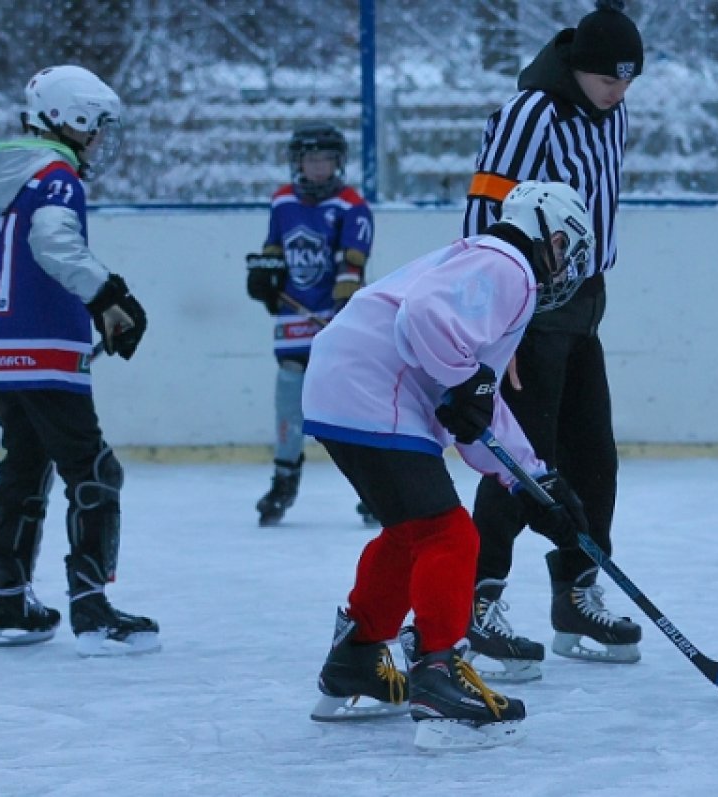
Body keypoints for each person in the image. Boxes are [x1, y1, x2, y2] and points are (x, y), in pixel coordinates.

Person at [301, 181, 595, 751]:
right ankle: (439, 676)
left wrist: (536, 482)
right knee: (449, 534)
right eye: (570, 256)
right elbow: (426, 319)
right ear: (553, 241)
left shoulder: (483, 262)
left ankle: (357, 660)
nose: (567, 272)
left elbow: (478, 413)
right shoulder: (508, 263)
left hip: (340, 384)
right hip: (370, 388)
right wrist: (472, 383)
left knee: (410, 533)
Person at [459, 0, 644, 682]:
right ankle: (476, 601)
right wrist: (490, 327)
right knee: (518, 465)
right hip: (525, 312)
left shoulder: (613, 112)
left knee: (594, 459)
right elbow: (484, 209)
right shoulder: (529, 113)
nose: (618, 93)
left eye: (628, 81)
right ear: (577, 68)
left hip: (584, 307)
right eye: (607, 80)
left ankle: (576, 592)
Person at [0, 65, 159, 657]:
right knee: (94, 470)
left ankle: (7, 601)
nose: (101, 140)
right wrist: (110, 295)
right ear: (71, 119)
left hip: (2, 344)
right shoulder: (55, 177)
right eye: (98, 127)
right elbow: (53, 242)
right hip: (44, 345)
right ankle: (92, 611)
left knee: (25, 465)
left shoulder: (17, 177)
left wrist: (100, 312)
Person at [244, 122, 376, 527]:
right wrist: (265, 275)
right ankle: (284, 479)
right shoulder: (282, 202)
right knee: (289, 397)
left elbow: (351, 265)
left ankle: (374, 487)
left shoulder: (352, 205)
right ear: (298, 162)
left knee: (347, 407)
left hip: (335, 318)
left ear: (338, 163)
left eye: (325, 159)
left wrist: (340, 312)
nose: (318, 167)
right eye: (310, 158)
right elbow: (274, 250)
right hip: (293, 317)